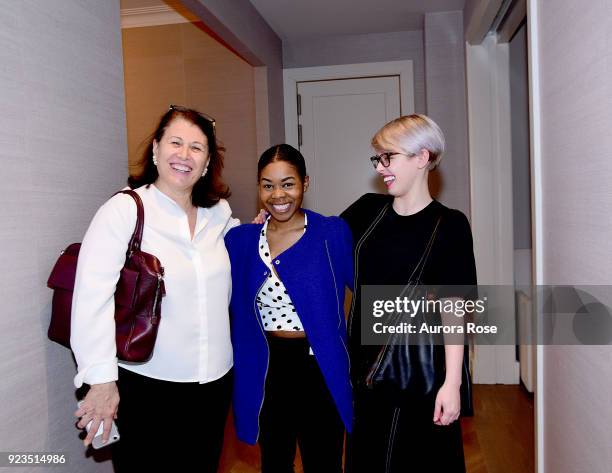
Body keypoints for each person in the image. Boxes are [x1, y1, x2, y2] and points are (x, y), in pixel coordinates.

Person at [71, 105, 238, 471]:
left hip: (213, 384)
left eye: (197, 147)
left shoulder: (219, 215)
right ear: (156, 149)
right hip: (147, 384)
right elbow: (90, 299)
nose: (184, 154)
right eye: (175, 142)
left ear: (208, 162)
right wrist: (101, 382)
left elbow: (245, 257)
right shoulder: (125, 210)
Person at [341, 114, 476, 473]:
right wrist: (272, 224)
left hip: (419, 375)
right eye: (378, 159)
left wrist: (452, 382)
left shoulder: (450, 225)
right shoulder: (366, 212)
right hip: (364, 373)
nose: (381, 167)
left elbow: (455, 308)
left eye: (389, 157)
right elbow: (316, 244)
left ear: (422, 157)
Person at [225, 144, 353, 473]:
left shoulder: (331, 233)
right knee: (275, 462)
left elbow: (370, 288)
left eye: (288, 183)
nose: (278, 194)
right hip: (267, 368)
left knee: (324, 461)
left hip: (319, 369)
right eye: (268, 185)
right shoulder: (240, 241)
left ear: (305, 183)